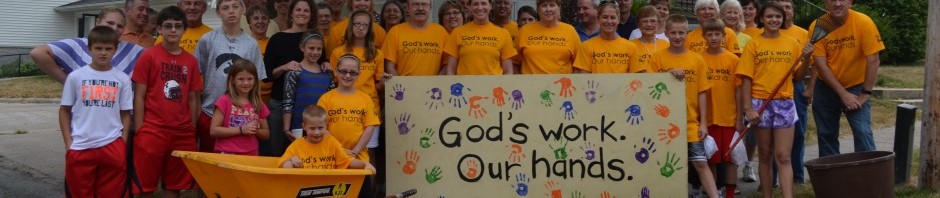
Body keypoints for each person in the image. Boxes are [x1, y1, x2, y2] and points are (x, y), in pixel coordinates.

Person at [736, 2, 811, 197]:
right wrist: (748, 109)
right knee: (766, 155)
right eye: (769, 16)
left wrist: (807, 59)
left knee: (783, 156)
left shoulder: (792, 43)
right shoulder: (754, 43)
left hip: (784, 103)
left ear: (783, 19)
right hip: (761, 103)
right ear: (761, 19)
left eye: (778, 16)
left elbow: (799, 77)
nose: (774, 20)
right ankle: (767, 194)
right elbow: (745, 79)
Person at [129, 6, 202, 197]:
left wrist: (192, 129)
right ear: (159, 29)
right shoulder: (149, 56)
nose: (173, 30)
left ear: (184, 29)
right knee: (145, 187)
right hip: (153, 130)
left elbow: (193, 98)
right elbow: (139, 95)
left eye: (178, 26)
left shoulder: (191, 61)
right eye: (168, 26)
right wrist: (140, 129)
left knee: (174, 186)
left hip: (182, 132)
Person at [59, 26, 132, 198]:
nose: (103, 53)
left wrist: (123, 141)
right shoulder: (76, 76)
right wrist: (68, 142)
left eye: (108, 49)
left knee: (111, 193)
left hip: (112, 144)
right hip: (81, 145)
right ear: (89, 48)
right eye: (98, 48)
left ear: (115, 49)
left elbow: (126, 113)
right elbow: (64, 110)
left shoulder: (122, 78)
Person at [649, 14, 718, 198]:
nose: (677, 36)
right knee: (663, 164)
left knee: (701, 164)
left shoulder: (697, 60)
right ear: (666, 33)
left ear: (687, 34)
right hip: (663, 125)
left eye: (681, 32)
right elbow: (649, 88)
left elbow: (702, 92)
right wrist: (667, 76)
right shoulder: (656, 58)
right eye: (673, 33)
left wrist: (703, 123)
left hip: (690, 123)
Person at [809, 0, 884, 157]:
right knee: (826, 135)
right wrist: (843, 94)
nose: (837, 4)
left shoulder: (863, 22)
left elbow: (873, 59)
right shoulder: (818, 26)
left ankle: (868, 174)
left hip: (856, 85)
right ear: (825, 3)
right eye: (832, 0)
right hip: (826, 88)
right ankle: (832, 177)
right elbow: (821, 65)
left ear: (850, 2)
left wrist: (866, 93)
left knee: (862, 131)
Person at [195, 0, 268, 153]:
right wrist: (196, 112)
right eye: (225, 8)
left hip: (243, 115)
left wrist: (256, 110)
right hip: (210, 111)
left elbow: (256, 81)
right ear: (218, 12)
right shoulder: (207, 40)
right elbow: (195, 77)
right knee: (210, 165)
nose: (231, 11)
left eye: (235, 7)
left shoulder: (251, 44)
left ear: (243, 10)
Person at [318, 54, 381, 197]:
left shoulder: (365, 98)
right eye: (343, 71)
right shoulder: (326, 99)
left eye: (353, 72)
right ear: (336, 71)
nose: (347, 75)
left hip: (359, 160)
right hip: (333, 160)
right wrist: (341, 150)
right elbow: (321, 128)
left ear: (358, 75)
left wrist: (356, 150)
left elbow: (370, 126)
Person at [329, 10, 386, 165]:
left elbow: (379, 85)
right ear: (350, 26)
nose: (360, 28)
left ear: (369, 28)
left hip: (369, 109)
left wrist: (387, 82)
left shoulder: (377, 54)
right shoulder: (338, 52)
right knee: (340, 155)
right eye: (357, 24)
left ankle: (369, 189)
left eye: (365, 25)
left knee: (368, 155)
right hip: (342, 109)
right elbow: (334, 82)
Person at [264, 0, 319, 156]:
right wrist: (284, 67)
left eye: (306, 10)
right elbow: (265, 76)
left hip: (306, 105)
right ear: (292, 13)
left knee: (304, 154)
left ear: (311, 15)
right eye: (298, 10)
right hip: (280, 103)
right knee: (277, 151)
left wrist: (326, 65)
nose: (302, 13)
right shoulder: (277, 39)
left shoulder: (315, 38)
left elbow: (320, 63)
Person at [31, 7, 144, 84]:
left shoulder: (133, 50)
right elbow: (38, 53)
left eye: (120, 26)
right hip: (83, 115)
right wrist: (67, 82)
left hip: (119, 115)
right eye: (110, 23)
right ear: (98, 22)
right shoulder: (78, 45)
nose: (114, 28)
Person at [698, 18, 741, 198]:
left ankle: (730, 193)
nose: (714, 38)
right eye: (710, 34)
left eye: (717, 34)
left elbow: (739, 91)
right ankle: (713, 192)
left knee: (731, 158)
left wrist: (740, 117)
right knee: (712, 160)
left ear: (724, 36)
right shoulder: (698, 59)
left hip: (729, 117)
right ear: (704, 36)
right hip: (707, 119)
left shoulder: (733, 59)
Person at [278, 105, 376, 172]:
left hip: (328, 187)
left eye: (320, 128)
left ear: (326, 125)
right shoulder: (297, 144)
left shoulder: (331, 142)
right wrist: (292, 159)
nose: (317, 132)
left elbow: (348, 162)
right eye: (312, 128)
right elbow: (282, 165)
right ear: (304, 126)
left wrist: (364, 164)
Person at [210, 59, 271, 155]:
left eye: (250, 79)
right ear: (232, 80)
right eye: (241, 79)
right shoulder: (224, 100)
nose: (246, 83)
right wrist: (241, 130)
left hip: (251, 155)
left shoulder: (258, 103)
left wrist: (255, 130)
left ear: (255, 80)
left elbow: (266, 134)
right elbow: (214, 130)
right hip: (227, 153)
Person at [283, 33, 333, 143]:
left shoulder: (327, 74)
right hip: (299, 126)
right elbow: (288, 102)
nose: (315, 52)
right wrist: (286, 129)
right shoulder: (295, 72)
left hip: (322, 128)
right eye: (311, 48)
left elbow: (332, 102)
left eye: (319, 49)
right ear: (302, 47)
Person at [444, 0, 516, 75]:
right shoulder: (458, 32)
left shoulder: (503, 33)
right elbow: (451, 69)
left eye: (483, 3)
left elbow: (508, 70)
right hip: (465, 85)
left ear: (490, 6)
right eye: (475, 4)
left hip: (493, 85)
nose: (480, 7)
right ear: (469, 7)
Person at [573, 0, 643, 74]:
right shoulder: (586, 47)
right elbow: (582, 79)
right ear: (598, 19)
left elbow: (637, 79)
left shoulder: (631, 47)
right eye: (605, 17)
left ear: (618, 20)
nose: (609, 21)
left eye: (612, 17)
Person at [383, 0, 448, 76]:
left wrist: (436, 82)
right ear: (407, 7)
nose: (420, 8)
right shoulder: (395, 32)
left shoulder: (441, 32)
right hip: (404, 86)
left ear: (430, 7)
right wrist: (400, 85)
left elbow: (447, 64)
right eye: (415, 4)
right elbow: (389, 67)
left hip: (433, 87)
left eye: (424, 4)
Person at [516, 0, 580, 74]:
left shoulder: (570, 31)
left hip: (560, 84)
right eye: (544, 5)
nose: (548, 9)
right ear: (538, 10)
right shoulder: (525, 30)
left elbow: (578, 64)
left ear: (559, 8)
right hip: (531, 84)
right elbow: (514, 62)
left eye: (552, 5)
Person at [631, 5, 669, 70]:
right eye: (645, 21)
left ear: (658, 24)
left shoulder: (667, 45)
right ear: (639, 25)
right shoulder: (630, 46)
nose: (649, 24)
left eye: (653, 21)